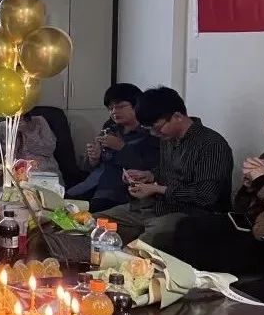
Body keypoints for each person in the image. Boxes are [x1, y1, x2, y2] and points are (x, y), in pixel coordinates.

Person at [164, 100, 264, 276]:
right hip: (250, 224)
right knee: (187, 227)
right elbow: (240, 206)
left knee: (214, 252)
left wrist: (263, 181)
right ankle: (183, 282)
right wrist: (250, 187)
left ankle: (201, 285)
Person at [95, 87, 233, 245]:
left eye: (157, 128)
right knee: (96, 221)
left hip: (193, 215)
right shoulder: (168, 138)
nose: (154, 134)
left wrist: (158, 189)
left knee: (148, 240)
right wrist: (149, 175)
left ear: (177, 116)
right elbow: (166, 171)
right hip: (159, 206)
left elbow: (205, 195)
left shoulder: (211, 144)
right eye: (150, 129)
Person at [68, 84, 159, 212]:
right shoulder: (110, 127)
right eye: (110, 108)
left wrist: (121, 147)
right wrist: (94, 158)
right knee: (57, 205)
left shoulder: (151, 132)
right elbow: (87, 168)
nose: (114, 112)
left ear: (137, 105)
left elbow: (149, 169)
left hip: (119, 193)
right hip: (91, 185)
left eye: (120, 106)